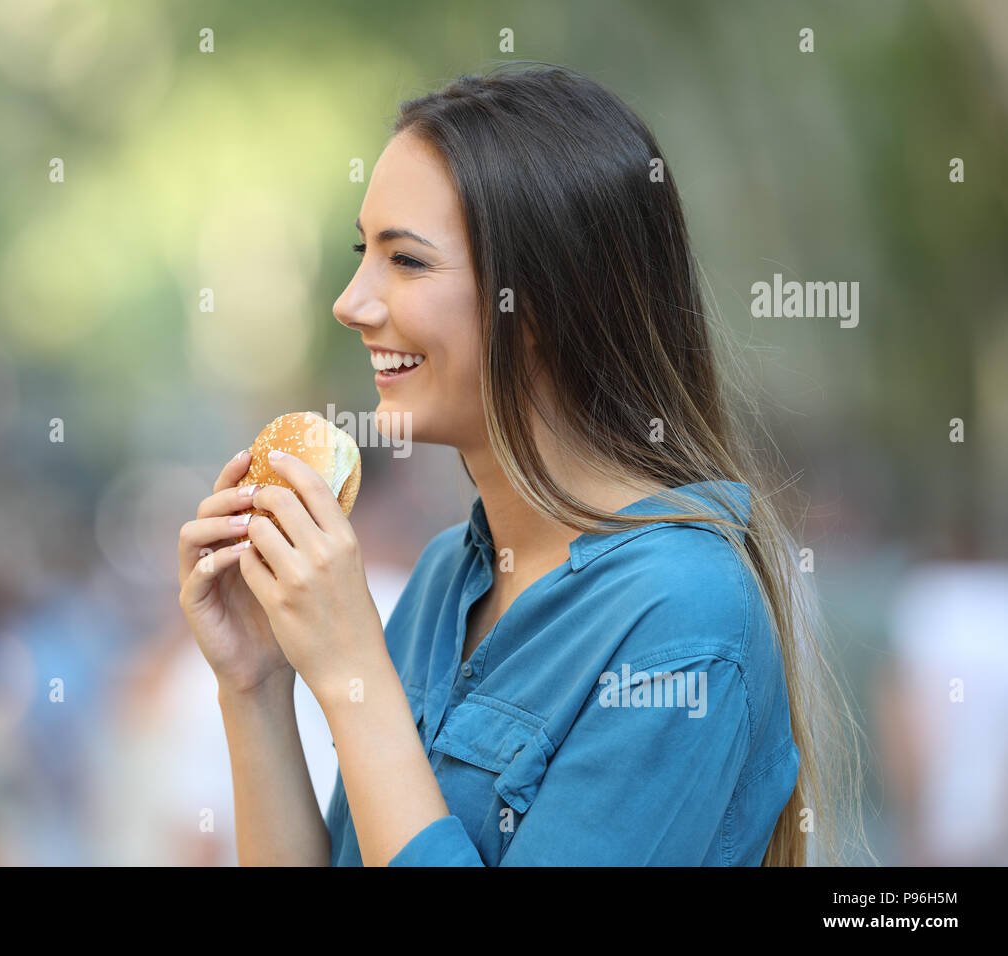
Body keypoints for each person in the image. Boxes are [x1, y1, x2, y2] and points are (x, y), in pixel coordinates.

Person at [177, 64, 861, 866]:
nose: (351, 301)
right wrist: (255, 684)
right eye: (366, 252)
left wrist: (351, 667)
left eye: (406, 261)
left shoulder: (684, 615)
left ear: (538, 302)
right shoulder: (441, 582)